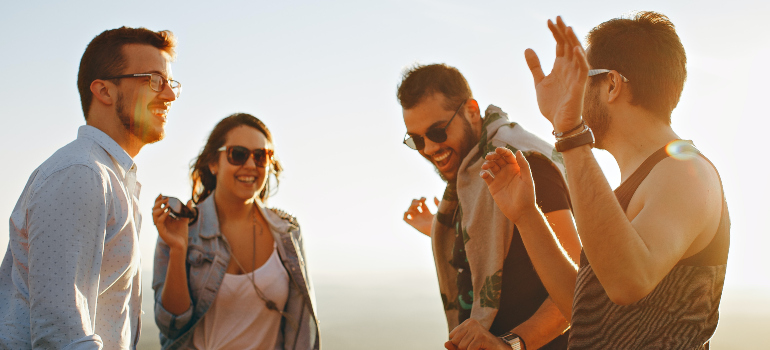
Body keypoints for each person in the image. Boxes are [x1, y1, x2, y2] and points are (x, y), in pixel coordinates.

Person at [480, 13, 729, 349]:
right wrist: (526, 215)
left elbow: (628, 282)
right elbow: (587, 311)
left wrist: (569, 132)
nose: (572, 93)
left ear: (611, 85)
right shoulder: (643, 180)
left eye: (580, 80)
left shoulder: (686, 173)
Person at [0, 27, 179, 348]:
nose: (169, 95)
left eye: (169, 83)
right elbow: (61, 334)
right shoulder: (81, 173)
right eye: (154, 80)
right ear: (104, 91)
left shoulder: (113, 178)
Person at [398, 64, 581, 350]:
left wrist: (510, 345)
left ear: (471, 110)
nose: (430, 149)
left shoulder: (523, 165)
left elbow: (579, 288)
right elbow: (499, 244)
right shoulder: (472, 172)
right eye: (417, 140)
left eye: (436, 132)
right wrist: (439, 229)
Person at [152, 113, 320, 350]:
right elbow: (170, 325)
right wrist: (178, 249)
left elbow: (301, 332)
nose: (251, 165)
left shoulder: (287, 233)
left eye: (261, 156)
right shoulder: (182, 228)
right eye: (238, 154)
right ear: (213, 163)